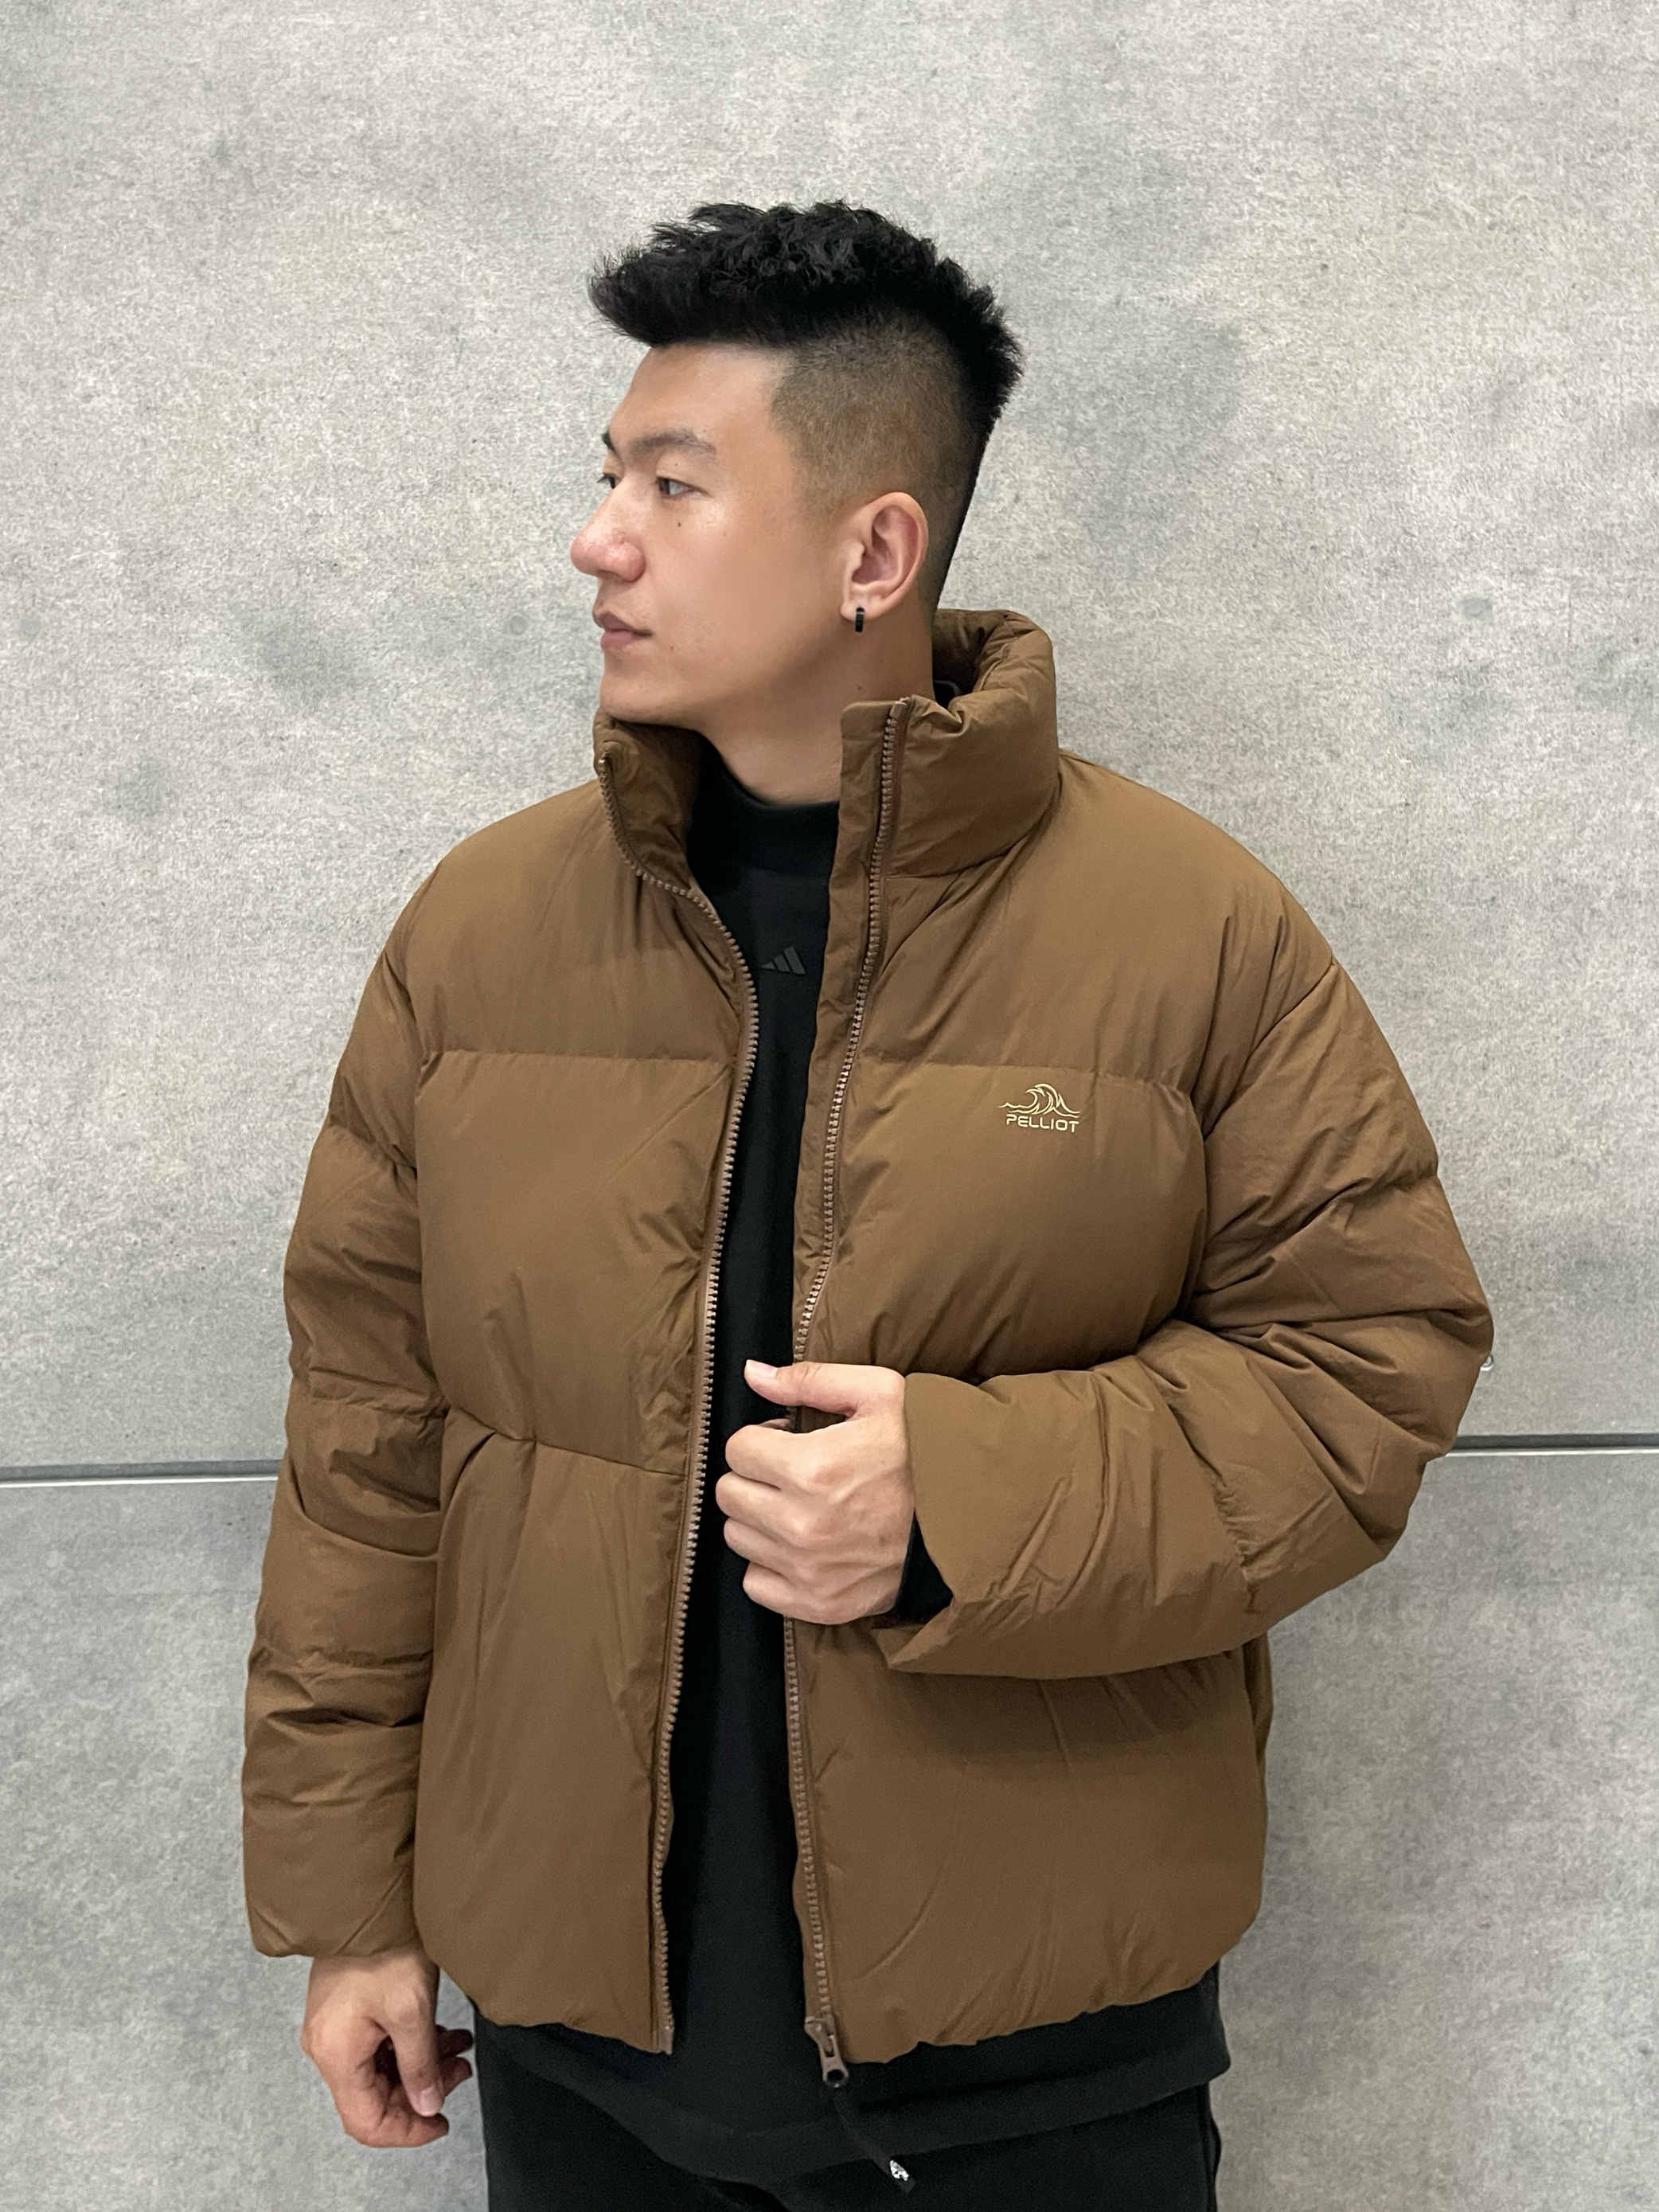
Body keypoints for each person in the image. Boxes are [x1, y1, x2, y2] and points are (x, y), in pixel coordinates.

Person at [240, 201, 1493, 2210]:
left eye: (672, 486)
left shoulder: (1187, 928)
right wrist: (352, 1910)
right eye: (606, 478)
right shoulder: (480, 935)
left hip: (1030, 2069)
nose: (597, 540)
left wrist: (964, 1502)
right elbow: (367, 1451)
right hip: (580, 2054)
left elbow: (1370, 1363)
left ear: (873, 552)